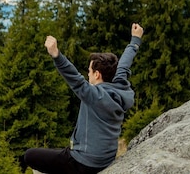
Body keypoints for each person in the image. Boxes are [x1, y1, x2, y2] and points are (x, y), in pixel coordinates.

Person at [24, 23, 144, 174]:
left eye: (89, 71)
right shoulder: (120, 86)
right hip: (106, 158)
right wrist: (135, 40)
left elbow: (75, 78)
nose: (87, 75)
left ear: (97, 74)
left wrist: (56, 54)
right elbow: (124, 65)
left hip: (84, 163)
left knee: (30, 155)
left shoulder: (95, 95)